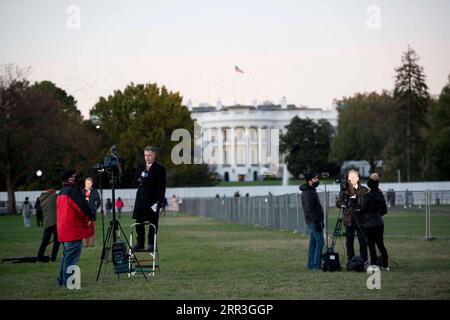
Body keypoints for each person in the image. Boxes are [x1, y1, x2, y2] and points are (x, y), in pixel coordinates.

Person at [56, 170, 94, 287]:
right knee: (72, 257)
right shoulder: (72, 190)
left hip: (63, 227)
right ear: (70, 178)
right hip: (72, 228)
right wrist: (90, 215)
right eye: (73, 176)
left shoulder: (61, 191)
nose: (75, 177)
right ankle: (69, 281)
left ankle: (62, 279)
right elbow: (81, 206)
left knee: (66, 255)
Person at [132, 146, 166, 252]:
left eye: (149, 155)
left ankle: (151, 244)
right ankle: (140, 244)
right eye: (145, 155)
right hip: (141, 201)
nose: (147, 157)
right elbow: (134, 183)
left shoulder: (160, 169)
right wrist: (139, 180)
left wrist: (159, 201)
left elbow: (162, 186)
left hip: (153, 201)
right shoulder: (140, 168)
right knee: (139, 223)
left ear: (154, 155)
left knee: (153, 224)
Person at [336, 169, 368, 263]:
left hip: (361, 219)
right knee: (349, 242)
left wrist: (359, 204)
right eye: (350, 177)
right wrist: (343, 196)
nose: (352, 178)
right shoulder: (344, 189)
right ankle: (351, 260)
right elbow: (338, 204)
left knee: (362, 241)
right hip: (348, 219)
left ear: (358, 178)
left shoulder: (364, 190)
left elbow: (366, 204)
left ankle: (364, 260)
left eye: (354, 176)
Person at [360, 173, 389, 271]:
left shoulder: (368, 196)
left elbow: (363, 209)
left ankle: (373, 266)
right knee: (380, 244)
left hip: (369, 223)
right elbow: (384, 210)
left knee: (371, 245)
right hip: (380, 223)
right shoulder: (380, 194)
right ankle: (385, 265)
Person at [300, 172, 324, 270]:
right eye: (315, 179)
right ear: (310, 180)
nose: (317, 180)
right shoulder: (308, 192)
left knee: (313, 243)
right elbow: (308, 208)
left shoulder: (311, 190)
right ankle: (316, 266)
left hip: (315, 220)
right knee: (320, 242)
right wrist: (317, 222)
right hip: (313, 221)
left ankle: (311, 265)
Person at [36, 188, 60, 262]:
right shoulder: (54, 197)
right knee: (57, 240)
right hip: (54, 222)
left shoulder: (42, 199)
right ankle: (53, 257)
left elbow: (39, 211)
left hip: (47, 222)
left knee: (45, 241)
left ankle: (39, 256)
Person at [82, 177, 101, 247]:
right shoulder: (81, 191)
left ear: (92, 183)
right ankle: (85, 244)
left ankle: (91, 244)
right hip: (84, 214)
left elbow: (99, 202)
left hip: (92, 214)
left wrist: (94, 208)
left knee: (91, 229)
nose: (88, 184)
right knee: (84, 229)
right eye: (86, 183)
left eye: (89, 183)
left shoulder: (95, 191)